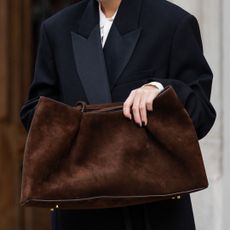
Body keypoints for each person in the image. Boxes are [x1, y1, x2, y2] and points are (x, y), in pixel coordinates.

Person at [19, 0, 216, 229]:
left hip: (153, 213)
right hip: (80, 210)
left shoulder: (173, 23)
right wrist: (78, 125)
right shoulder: (57, 29)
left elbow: (201, 115)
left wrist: (160, 90)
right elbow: (35, 114)